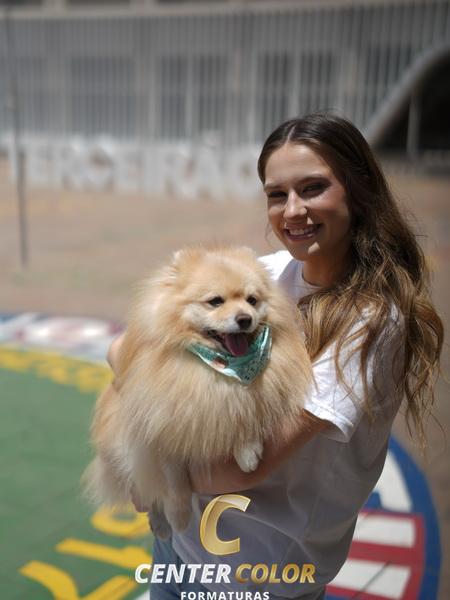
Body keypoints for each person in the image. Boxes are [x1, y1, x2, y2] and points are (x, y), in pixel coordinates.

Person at [107, 113, 443, 600]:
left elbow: (247, 467)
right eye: (277, 195)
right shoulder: (268, 273)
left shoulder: (369, 322)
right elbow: (124, 348)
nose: (293, 210)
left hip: (261, 571)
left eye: (313, 188)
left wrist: (155, 473)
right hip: (181, 545)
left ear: (358, 189)